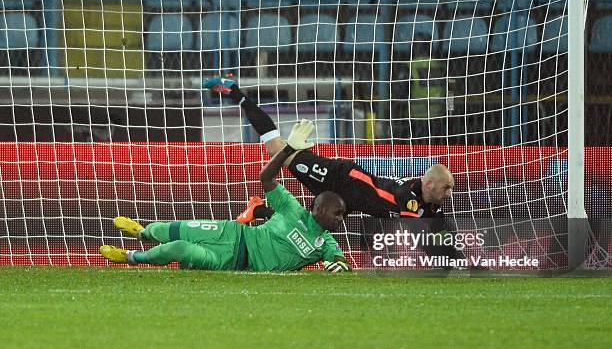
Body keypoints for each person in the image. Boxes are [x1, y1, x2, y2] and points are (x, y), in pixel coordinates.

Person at [99, 121, 351, 272]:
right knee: (173, 229)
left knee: (179, 248)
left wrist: (340, 266)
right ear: (319, 209)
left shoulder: (324, 244)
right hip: (230, 232)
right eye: (338, 213)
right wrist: (289, 149)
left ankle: (130, 258)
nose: (341, 219)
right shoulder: (291, 208)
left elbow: (341, 262)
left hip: (233, 259)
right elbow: (266, 177)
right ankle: (142, 232)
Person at [202, 77, 454, 224]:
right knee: (277, 149)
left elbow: (437, 232)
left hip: (350, 199)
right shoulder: (407, 197)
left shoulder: (428, 202)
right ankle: (237, 93)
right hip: (341, 177)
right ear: (430, 184)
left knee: (307, 226)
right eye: (446, 187)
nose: (450, 193)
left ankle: (257, 210)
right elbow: (419, 232)